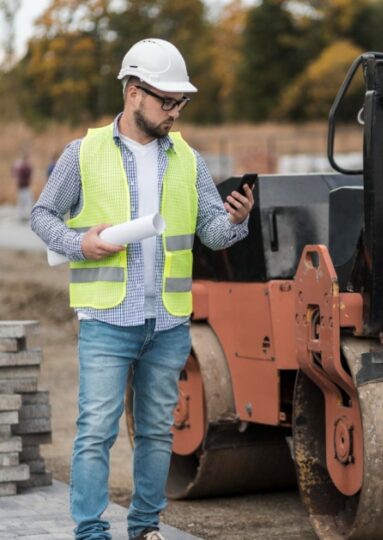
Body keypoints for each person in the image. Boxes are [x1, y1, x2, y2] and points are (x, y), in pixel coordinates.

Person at [30, 38, 254, 540]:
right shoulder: (82, 153)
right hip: (106, 320)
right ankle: (91, 532)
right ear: (133, 93)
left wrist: (237, 220)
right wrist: (77, 243)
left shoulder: (188, 160)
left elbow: (211, 232)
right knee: (95, 434)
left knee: (156, 433)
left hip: (168, 322)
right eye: (166, 101)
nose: (175, 111)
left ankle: (145, 527)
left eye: (181, 102)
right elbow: (41, 215)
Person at [12, 152, 33, 220]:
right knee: (27, 202)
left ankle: (22, 215)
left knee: (23, 202)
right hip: (24, 187)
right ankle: (25, 216)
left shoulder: (19, 166)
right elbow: (29, 174)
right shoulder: (24, 167)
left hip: (22, 187)